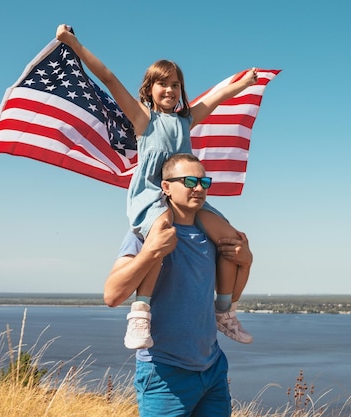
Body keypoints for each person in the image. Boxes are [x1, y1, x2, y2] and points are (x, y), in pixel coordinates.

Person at [56, 25, 256, 348]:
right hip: (152, 194)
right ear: (149, 88)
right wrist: (72, 42)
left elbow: (216, 98)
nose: (170, 90)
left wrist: (243, 83)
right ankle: (140, 312)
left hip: (186, 194)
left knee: (231, 238)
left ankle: (224, 312)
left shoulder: (186, 120)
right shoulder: (143, 119)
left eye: (176, 84)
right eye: (163, 83)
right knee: (161, 233)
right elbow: (107, 76)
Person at [104, 153, 252, 417]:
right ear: (166, 188)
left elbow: (228, 296)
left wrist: (247, 261)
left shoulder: (212, 235)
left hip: (212, 368)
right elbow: (112, 295)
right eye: (189, 181)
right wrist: (151, 253)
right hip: (164, 373)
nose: (198, 188)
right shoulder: (144, 233)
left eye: (204, 182)